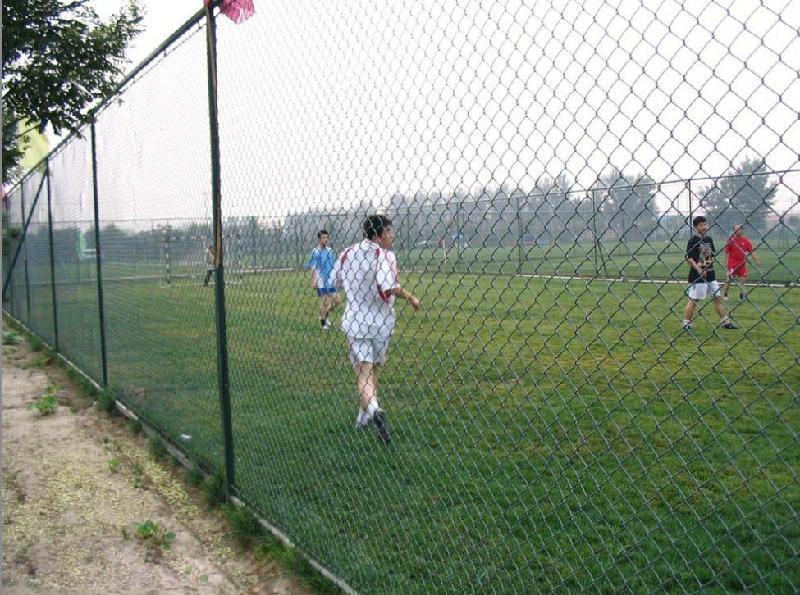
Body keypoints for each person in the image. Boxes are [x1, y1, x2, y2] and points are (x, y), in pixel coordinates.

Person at [331, 215, 421, 443]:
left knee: (364, 373)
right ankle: (366, 415)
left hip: (356, 323)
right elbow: (388, 287)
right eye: (389, 232)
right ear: (379, 235)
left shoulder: (347, 253)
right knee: (374, 372)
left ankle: (372, 409)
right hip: (381, 324)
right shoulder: (384, 255)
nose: (392, 237)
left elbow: (334, 280)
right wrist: (410, 297)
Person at [682, 216, 737, 332]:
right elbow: (689, 259)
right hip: (697, 277)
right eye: (701, 225)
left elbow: (710, 256)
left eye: (705, 224)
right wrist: (699, 269)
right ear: (695, 227)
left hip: (711, 275)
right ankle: (686, 323)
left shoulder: (709, 239)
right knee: (694, 300)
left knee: (718, 297)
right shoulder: (693, 241)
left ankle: (725, 322)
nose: (704, 227)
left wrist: (708, 267)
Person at [305, 229, 340, 329]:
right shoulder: (315, 251)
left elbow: (333, 265)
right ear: (319, 239)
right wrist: (313, 281)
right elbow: (313, 267)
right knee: (325, 301)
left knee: (337, 300)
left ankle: (324, 316)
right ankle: (323, 323)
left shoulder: (329, 250)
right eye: (323, 238)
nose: (326, 240)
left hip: (330, 279)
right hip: (321, 280)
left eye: (327, 238)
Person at [723, 224, 761, 300]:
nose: (738, 231)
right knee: (728, 281)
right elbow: (726, 252)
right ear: (734, 230)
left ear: (742, 230)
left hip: (741, 264)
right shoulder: (731, 240)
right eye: (736, 229)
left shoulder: (746, 241)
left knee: (742, 281)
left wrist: (757, 260)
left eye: (739, 229)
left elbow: (752, 251)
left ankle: (741, 296)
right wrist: (726, 264)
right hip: (732, 264)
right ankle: (725, 294)